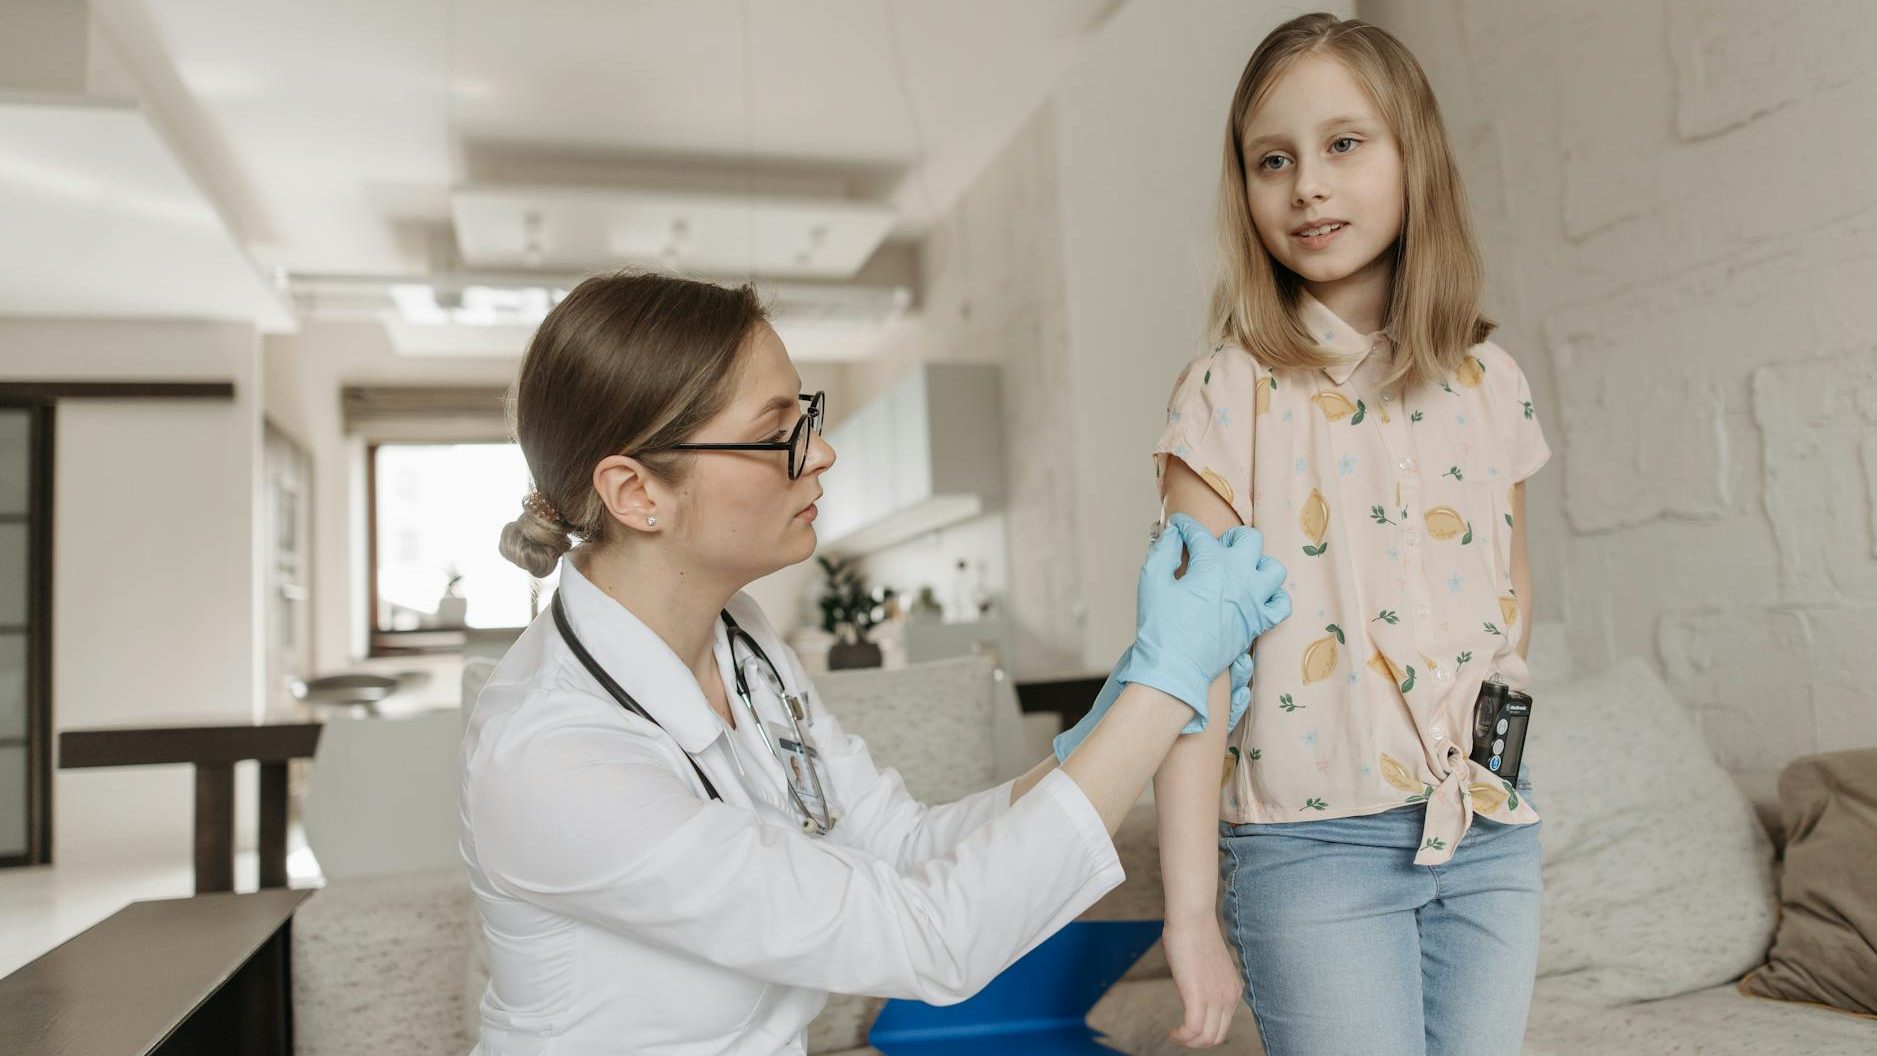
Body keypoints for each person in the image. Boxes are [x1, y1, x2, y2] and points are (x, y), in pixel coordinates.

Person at [458, 271, 1292, 1055]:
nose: (819, 453)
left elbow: (901, 846)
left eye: (804, 415)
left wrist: (1112, 723)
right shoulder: (551, 756)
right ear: (636, 493)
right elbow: (928, 937)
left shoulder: (741, 643)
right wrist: (1161, 688)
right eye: (773, 433)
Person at [1096, 12, 1553, 1053]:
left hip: (1489, 835)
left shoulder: (1494, 386)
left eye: (1343, 144)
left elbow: (1511, 599)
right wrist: (1190, 914)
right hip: (1312, 855)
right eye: (1271, 159)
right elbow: (1186, 672)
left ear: (1413, 156)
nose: (1304, 184)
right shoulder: (1223, 398)